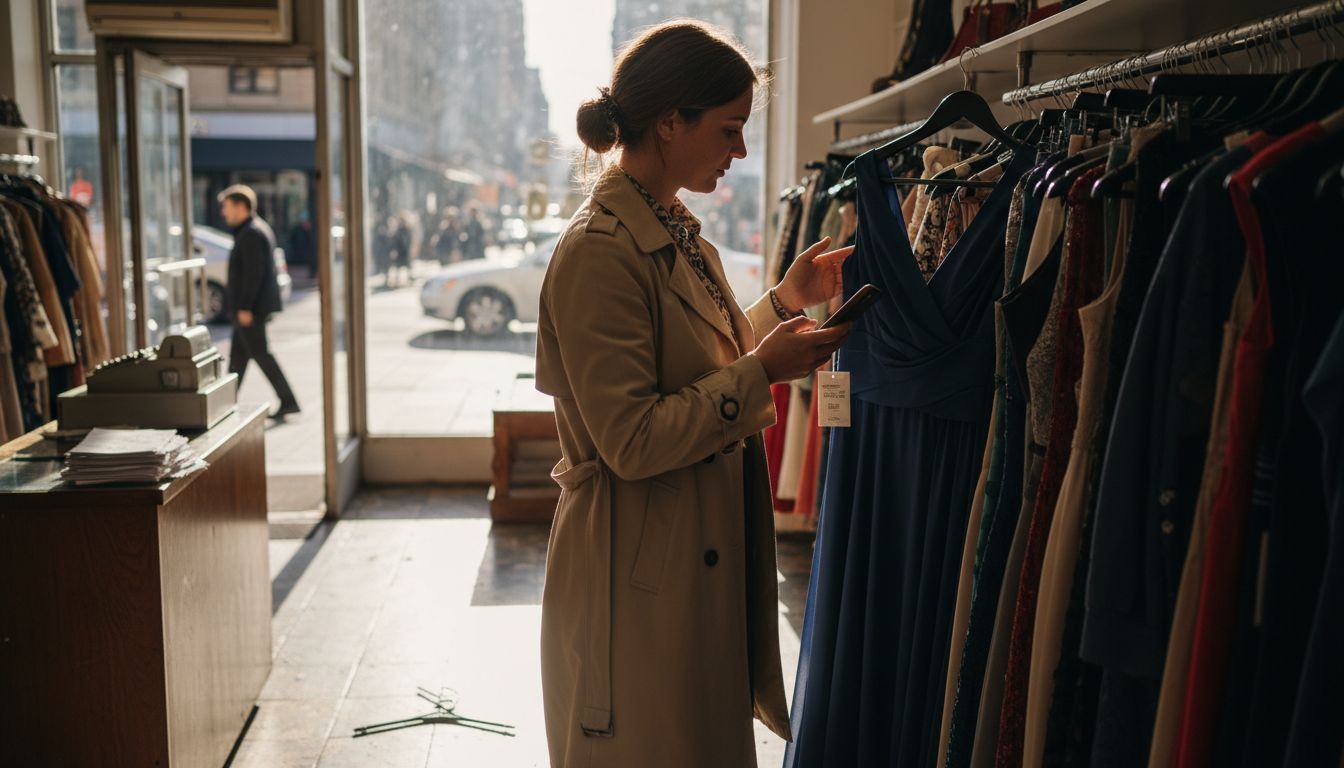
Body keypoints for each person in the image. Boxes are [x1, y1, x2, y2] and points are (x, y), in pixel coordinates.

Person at [534, 20, 853, 768]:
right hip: (634, 576)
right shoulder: (599, 251)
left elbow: (683, 366)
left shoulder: (672, 230)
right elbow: (632, 438)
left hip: (675, 557)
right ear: (671, 122)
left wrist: (781, 302)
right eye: (730, 129)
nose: (740, 152)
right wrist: (764, 371)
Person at [218, 184, 300, 420]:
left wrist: (244, 307)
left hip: (250, 309)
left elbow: (254, 273)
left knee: (260, 354)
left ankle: (288, 400)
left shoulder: (251, 233)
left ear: (242, 207)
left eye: (227, 207)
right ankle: (226, 404)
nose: (224, 213)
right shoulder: (252, 229)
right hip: (249, 308)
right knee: (239, 358)